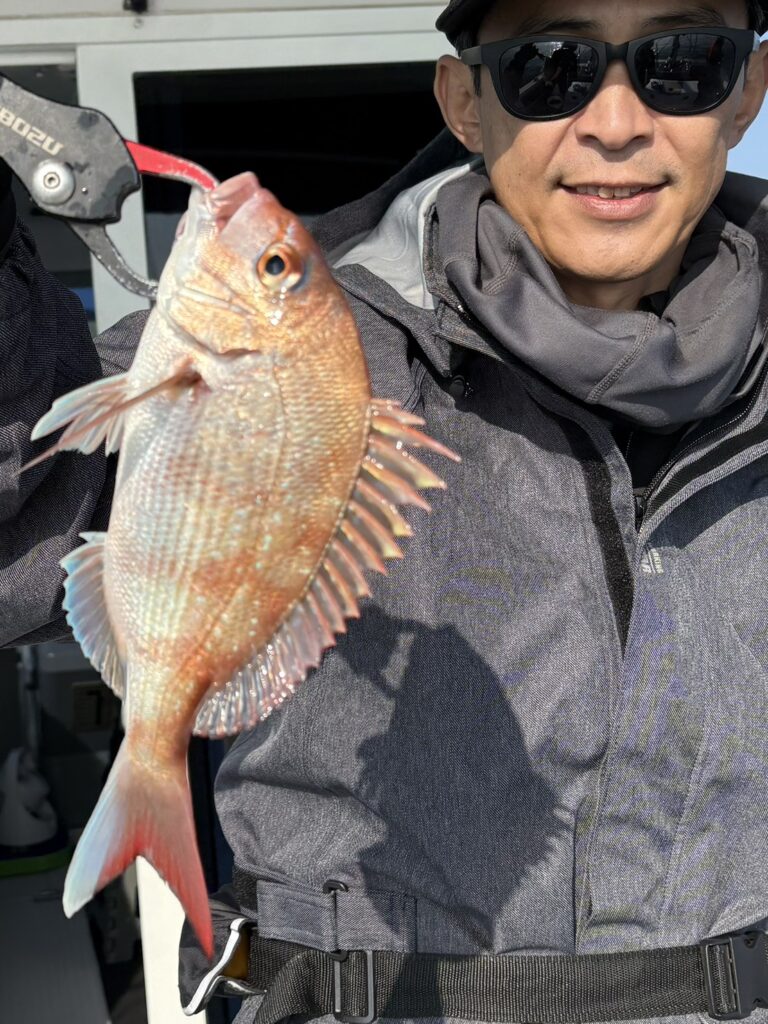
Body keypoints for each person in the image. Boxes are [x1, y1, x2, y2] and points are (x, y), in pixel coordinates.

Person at [4, 1, 768, 1022]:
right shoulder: (319, 345)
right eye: (552, 66)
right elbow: (17, 543)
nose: (618, 122)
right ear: (464, 101)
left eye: (684, 61)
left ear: (748, 92)